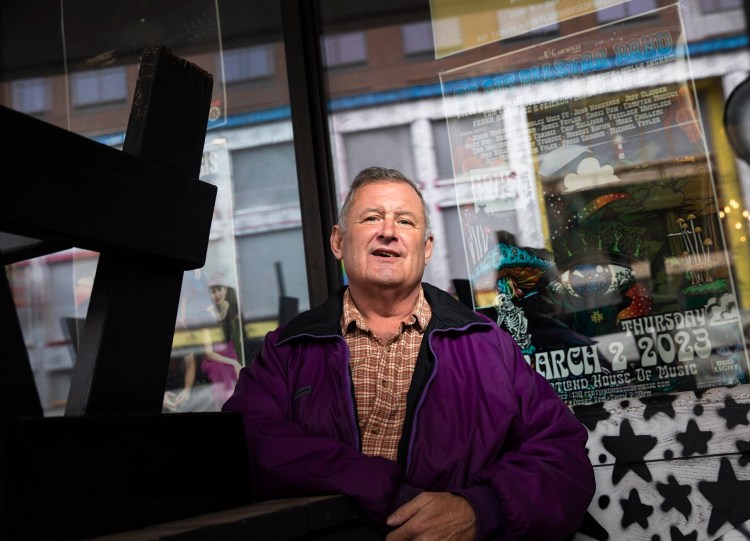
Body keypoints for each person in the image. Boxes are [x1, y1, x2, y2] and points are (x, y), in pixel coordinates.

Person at [223, 166, 595, 540]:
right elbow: (245, 444)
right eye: (371, 218)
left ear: (427, 247)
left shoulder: (487, 345)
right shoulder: (287, 350)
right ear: (338, 241)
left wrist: (480, 509)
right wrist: (375, 486)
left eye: (405, 221)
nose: (388, 231)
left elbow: (563, 459)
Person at [201, 278, 245, 410]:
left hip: (230, 351)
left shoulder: (230, 307)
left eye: (219, 289)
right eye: (213, 291)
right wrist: (233, 362)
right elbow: (209, 354)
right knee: (223, 380)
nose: (217, 294)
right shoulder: (206, 315)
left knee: (240, 381)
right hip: (215, 357)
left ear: (225, 289)